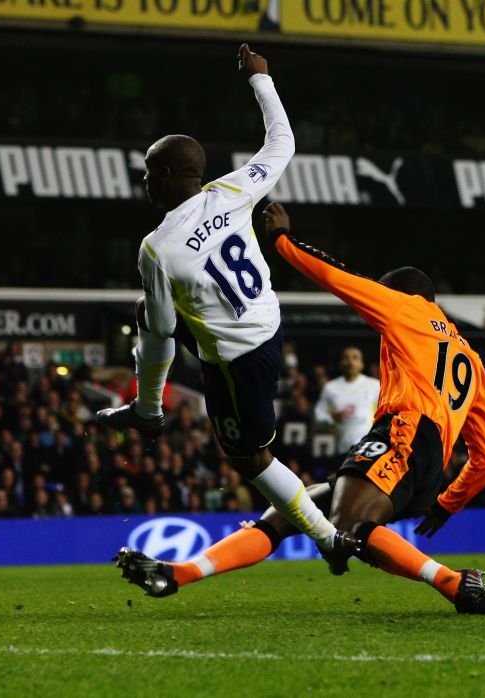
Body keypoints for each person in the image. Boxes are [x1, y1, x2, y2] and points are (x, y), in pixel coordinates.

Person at [114, 203, 485, 615]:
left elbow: (340, 279)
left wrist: (283, 241)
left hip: (402, 436)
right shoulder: (472, 362)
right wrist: (446, 504)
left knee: (348, 529)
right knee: (295, 511)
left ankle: (456, 583)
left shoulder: (408, 309)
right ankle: (179, 574)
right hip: (427, 463)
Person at [100, 44, 351, 558]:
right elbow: (281, 143)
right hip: (266, 322)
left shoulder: (158, 247)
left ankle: (328, 538)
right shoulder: (232, 190)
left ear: (168, 176)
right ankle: (148, 410)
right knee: (148, 312)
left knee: (251, 460)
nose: (146, 181)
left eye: (150, 171)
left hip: (237, 359)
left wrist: (161, 339)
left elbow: (165, 329)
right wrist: (261, 78)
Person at [314, 346, 381, 454]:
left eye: (355, 358)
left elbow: (386, 415)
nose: (350, 361)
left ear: (361, 364)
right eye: (346, 358)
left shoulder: (374, 385)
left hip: (369, 449)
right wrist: (331, 419)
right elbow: (318, 416)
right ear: (340, 363)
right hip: (343, 449)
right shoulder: (330, 387)